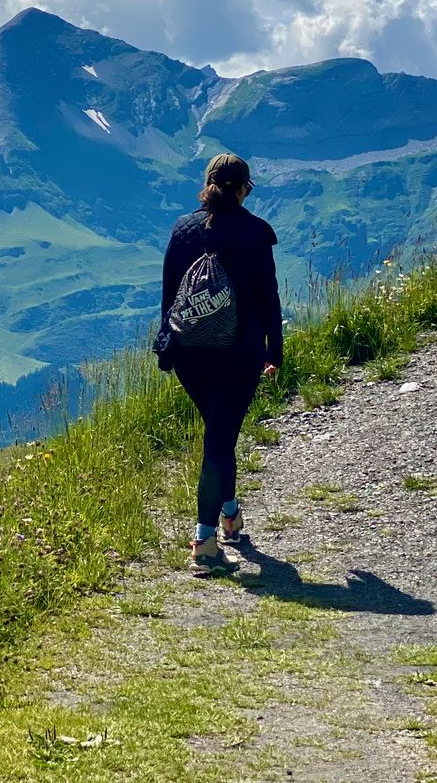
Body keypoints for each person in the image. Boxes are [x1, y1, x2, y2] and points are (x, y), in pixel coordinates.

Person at [157, 153, 284, 576]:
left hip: (190, 354)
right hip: (239, 354)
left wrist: (167, 345)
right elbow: (269, 298)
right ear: (244, 188)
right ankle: (205, 541)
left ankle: (229, 513)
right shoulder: (255, 233)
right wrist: (274, 351)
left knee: (218, 433)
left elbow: (171, 296)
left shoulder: (182, 230)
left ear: (207, 184)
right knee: (219, 440)